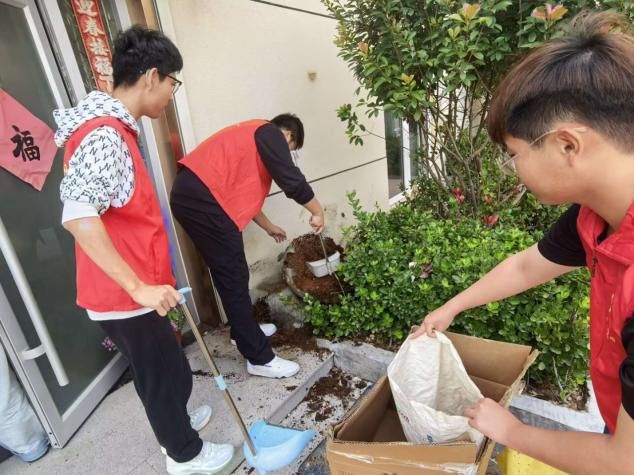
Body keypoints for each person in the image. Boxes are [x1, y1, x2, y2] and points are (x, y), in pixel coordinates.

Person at [412, 11, 634, 473]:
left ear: (568, 145)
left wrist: (512, 431)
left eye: (514, 153)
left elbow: (624, 461)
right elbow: (527, 265)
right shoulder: (597, 215)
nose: (514, 169)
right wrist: (453, 306)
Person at [56, 26, 233, 475]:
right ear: (152, 76)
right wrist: (137, 287)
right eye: (173, 82)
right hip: (125, 296)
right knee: (159, 374)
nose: (173, 93)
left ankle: (174, 423)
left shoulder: (116, 129)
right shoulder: (105, 135)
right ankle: (183, 453)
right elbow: (78, 216)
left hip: (137, 290)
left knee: (168, 366)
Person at [170, 114, 325, 379]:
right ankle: (259, 358)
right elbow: (291, 180)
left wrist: (268, 226)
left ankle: (242, 332)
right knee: (232, 272)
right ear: (288, 135)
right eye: (291, 149)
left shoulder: (252, 136)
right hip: (203, 201)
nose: (287, 154)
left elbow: (238, 195)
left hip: (197, 198)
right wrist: (317, 210)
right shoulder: (270, 134)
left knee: (232, 271)